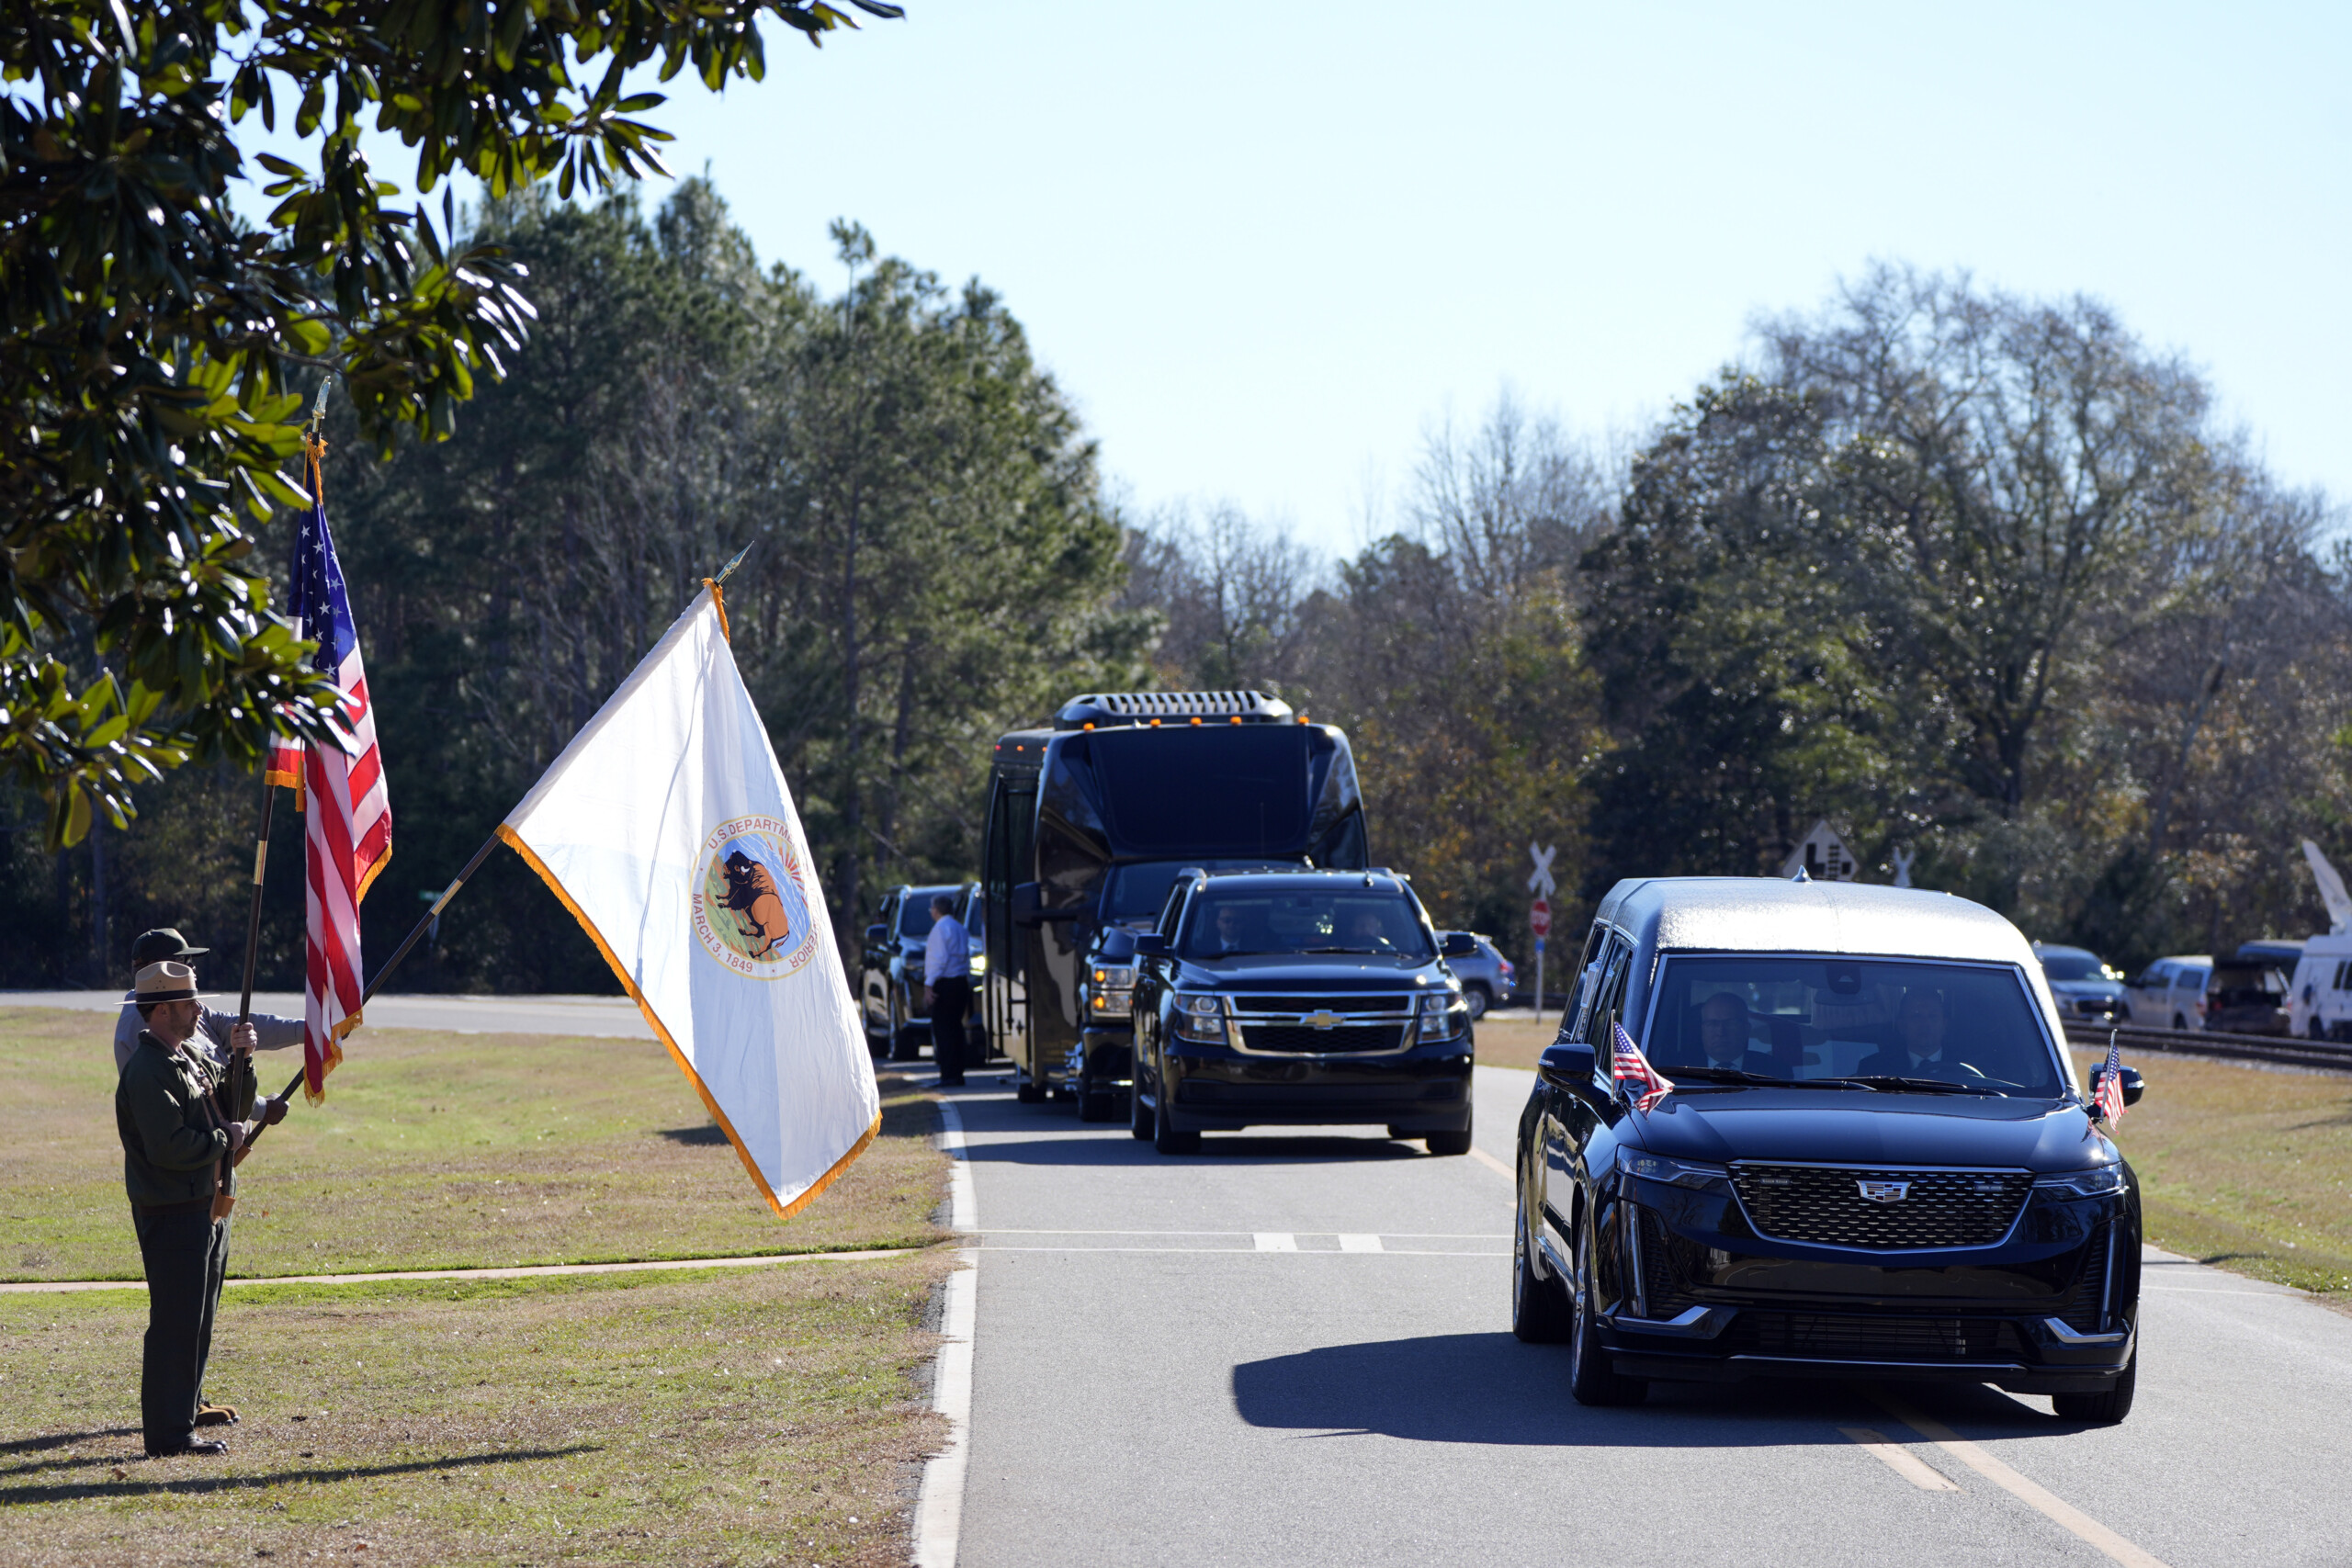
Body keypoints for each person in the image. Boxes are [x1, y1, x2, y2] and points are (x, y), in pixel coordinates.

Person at [112, 928, 302, 1430]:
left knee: (199, 1312)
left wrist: (244, 1059)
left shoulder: (184, 1050)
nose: (200, 1009)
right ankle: (170, 1429)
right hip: (174, 1201)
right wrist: (226, 1140)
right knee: (177, 1319)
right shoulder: (147, 1060)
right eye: (190, 1000)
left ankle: (187, 1407)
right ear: (162, 1008)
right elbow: (171, 1145)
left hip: (205, 1196)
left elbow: (225, 1099)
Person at [922, 894, 970, 1089]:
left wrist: (929, 985)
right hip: (960, 982)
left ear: (936, 910)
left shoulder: (939, 929)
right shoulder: (960, 928)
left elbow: (939, 959)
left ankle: (948, 1074)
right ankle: (957, 1073)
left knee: (943, 1030)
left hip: (946, 983)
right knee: (956, 1028)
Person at [1859, 987, 1953, 1077]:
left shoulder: (1964, 1063)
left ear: (1945, 1025)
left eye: (1933, 1016)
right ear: (1901, 1026)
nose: (1925, 1024)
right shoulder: (1873, 1068)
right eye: (1916, 1016)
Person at [1695, 991, 1775, 1072]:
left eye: (1730, 1024)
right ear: (1702, 1030)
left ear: (1746, 1029)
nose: (1721, 1032)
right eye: (1712, 1024)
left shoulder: (1772, 1069)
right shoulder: (1683, 1069)